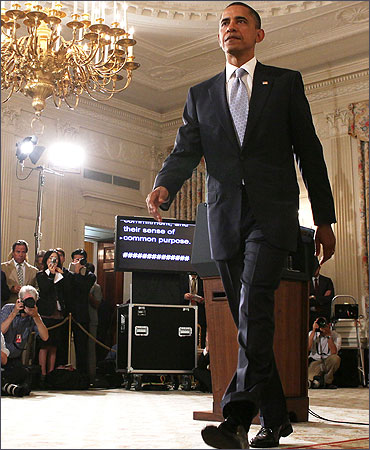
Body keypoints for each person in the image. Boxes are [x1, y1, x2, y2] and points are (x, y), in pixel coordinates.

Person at [146, 3, 336, 449]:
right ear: (219, 36)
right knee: (250, 322)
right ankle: (275, 422)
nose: (231, 28)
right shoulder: (201, 93)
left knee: (253, 311)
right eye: (224, 23)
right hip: (225, 219)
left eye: (241, 21)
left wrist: (324, 220)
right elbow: (185, 151)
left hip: (272, 216)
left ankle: (235, 419)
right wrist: (164, 185)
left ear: (259, 35)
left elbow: (310, 152)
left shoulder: (285, 83)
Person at [1, 285, 49, 395]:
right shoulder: (8, 308)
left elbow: (45, 337)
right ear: (20, 300)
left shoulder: (33, 315)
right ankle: (7, 387)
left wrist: (36, 316)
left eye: (32, 300)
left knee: (24, 374)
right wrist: (13, 313)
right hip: (2, 358)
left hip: (14, 360)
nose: (29, 303)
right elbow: (1, 331)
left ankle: (6, 386)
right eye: (27, 300)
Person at [36, 249, 68, 384]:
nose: (53, 261)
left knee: (54, 345)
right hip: (46, 313)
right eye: (50, 258)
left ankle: (51, 373)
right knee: (44, 345)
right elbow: (45, 289)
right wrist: (51, 274)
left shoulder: (62, 275)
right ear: (46, 260)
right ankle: (42, 374)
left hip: (58, 313)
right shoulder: (41, 275)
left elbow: (66, 291)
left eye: (55, 259)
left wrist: (62, 276)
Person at [64, 249, 96, 375]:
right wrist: (73, 273)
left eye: (80, 260)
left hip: (82, 315)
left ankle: (83, 376)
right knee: (63, 345)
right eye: (75, 259)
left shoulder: (90, 276)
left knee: (82, 347)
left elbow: (83, 290)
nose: (78, 262)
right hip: (66, 314)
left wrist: (78, 273)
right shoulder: (67, 274)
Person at [1, 240, 38, 306]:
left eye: (23, 252)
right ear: (13, 252)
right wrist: (11, 289)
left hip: (27, 307)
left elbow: (37, 289)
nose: (20, 255)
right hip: (8, 305)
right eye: (18, 252)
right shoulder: (3, 268)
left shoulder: (33, 271)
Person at [308, 317, 341, 389]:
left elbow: (334, 352)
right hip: (315, 361)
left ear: (328, 325)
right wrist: (314, 331)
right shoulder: (311, 334)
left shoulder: (336, 335)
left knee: (336, 358)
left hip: (328, 361)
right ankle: (317, 383)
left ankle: (327, 382)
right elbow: (307, 348)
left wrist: (328, 335)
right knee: (310, 380)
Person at [85, 262, 103, 383]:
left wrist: (88, 294)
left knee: (91, 350)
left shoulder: (96, 287)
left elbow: (97, 304)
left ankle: (91, 376)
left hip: (92, 320)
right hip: (79, 319)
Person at [309, 257, 335, 329]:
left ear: (319, 268)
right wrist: (321, 299)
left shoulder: (327, 281)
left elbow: (329, 298)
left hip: (324, 314)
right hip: (310, 316)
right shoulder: (306, 282)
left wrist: (313, 298)